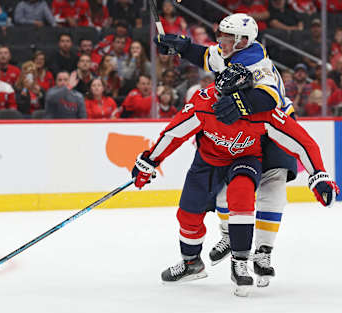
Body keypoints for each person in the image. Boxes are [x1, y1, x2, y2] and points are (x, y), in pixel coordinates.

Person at [131, 64, 339, 296]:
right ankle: (191, 263)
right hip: (208, 160)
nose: (218, 100)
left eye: (225, 96)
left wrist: (318, 175)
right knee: (188, 211)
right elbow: (174, 134)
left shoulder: (264, 112)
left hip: (246, 158)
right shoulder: (203, 103)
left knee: (241, 197)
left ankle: (239, 262)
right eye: (218, 93)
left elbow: (302, 142)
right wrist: (150, 160)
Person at [154, 13, 298, 286]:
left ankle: (263, 252)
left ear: (244, 40)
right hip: (244, 126)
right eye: (221, 34)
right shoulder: (229, 51)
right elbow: (207, 56)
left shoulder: (257, 60)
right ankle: (230, 235)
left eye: (227, 36)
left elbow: (269, 97)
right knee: (226, 188)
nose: (221, 40)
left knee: (273, 185)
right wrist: (181, 46)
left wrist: (242, 105)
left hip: (273, 125)